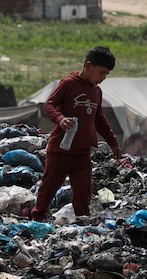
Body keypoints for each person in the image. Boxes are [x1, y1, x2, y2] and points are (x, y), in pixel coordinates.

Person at [30, 46, 123, 221]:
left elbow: (99, 119)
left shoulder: (96, 91)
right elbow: (49, 105)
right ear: (88, 66)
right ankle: (38, 217)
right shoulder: (68, 84)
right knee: (49, 187)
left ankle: (82, 224)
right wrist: (60, 119)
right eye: (101, 73)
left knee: (83, 192)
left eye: (106, 75)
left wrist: (113, 143)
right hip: (61, 150)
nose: (103, 78)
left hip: (82, 151)